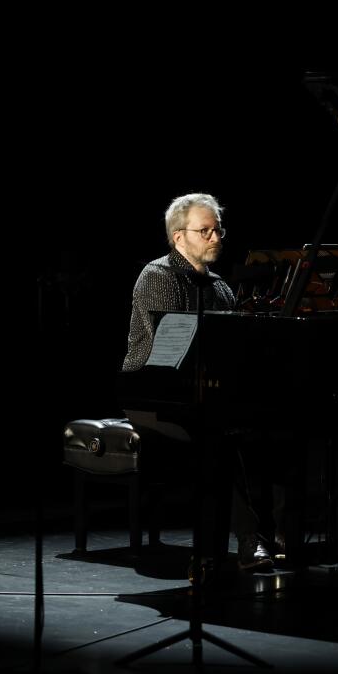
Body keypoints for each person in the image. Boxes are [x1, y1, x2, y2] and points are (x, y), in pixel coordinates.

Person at [121, 192, 275, 571]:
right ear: (179, 237)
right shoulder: (157, 276)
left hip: (206, 393)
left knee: (270, 429)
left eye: (217, 229)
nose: (215, 237)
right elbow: (175, 349)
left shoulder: (220, 286)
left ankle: (274, 532)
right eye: (204, 230)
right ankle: (243, 541)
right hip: (153, 396)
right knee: (217, 435)